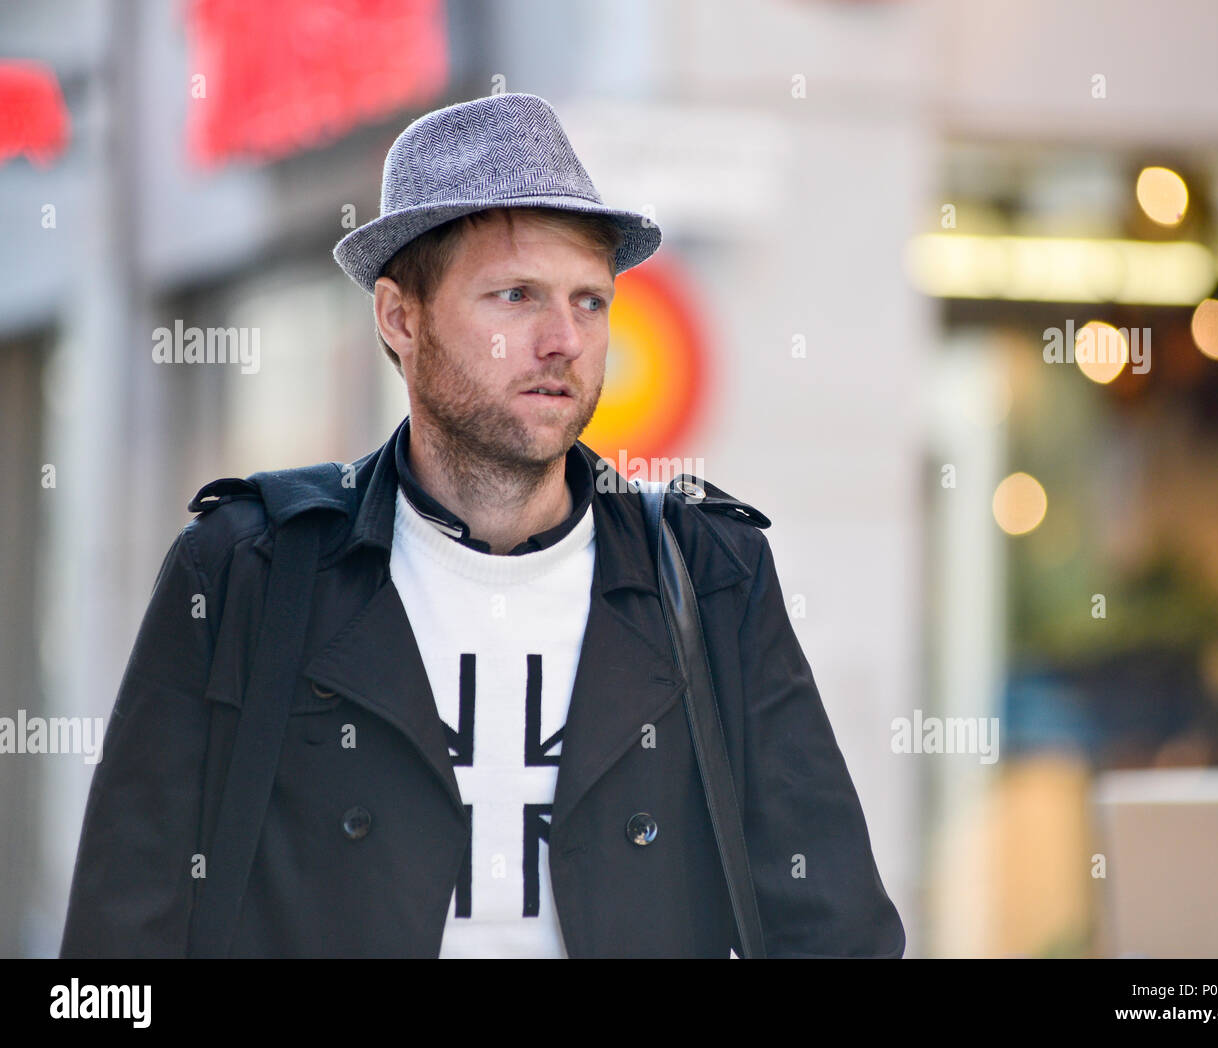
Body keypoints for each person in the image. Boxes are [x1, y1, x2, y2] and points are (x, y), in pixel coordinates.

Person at [59, 92, 905, 958]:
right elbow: (119, 941)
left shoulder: (709, 573)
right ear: (400, 318)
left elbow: (833, 928)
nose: (563, 340)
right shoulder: (249, 569)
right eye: (516, 295)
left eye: (589, 301)